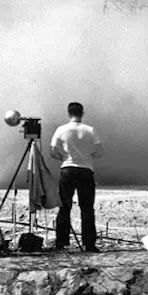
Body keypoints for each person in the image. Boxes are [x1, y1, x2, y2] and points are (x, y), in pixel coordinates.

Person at [50, 101, 103, 252]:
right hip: (86, 170)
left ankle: (61, 242)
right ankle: (89, 244)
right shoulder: (90, 130)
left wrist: (65, 157)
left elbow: (52, 151)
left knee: (64, 206)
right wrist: (87, 156)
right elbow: (99, 152)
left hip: (67, 169)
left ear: (68, 113)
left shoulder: (61, 130)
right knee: (87, 208)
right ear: (82, 113)